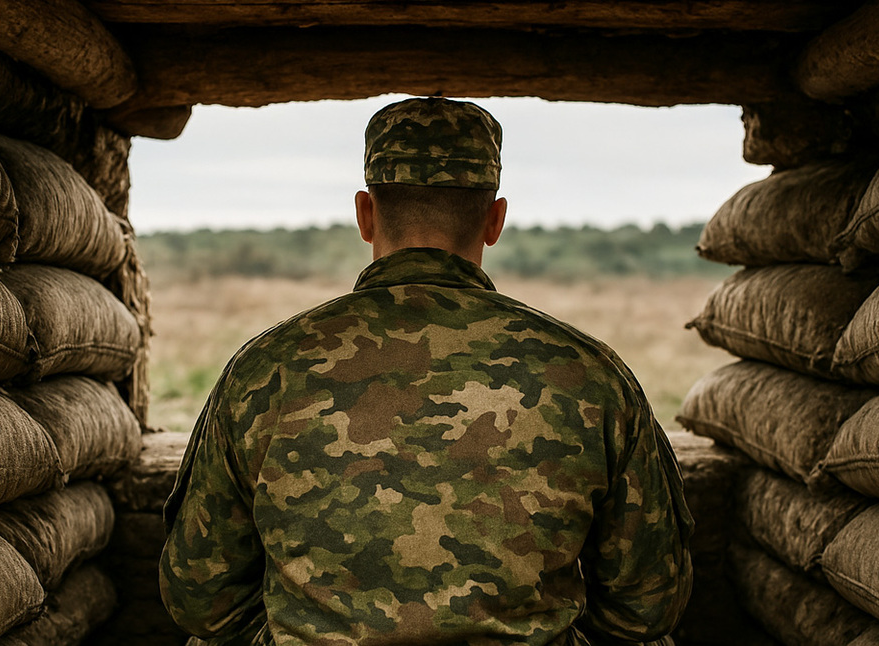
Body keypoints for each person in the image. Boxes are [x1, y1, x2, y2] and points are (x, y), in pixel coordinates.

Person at [160, 97, 694, 646]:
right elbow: (645, 610)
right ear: (495, 220)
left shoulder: (262, 371)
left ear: (365, 214)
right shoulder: (591, 376)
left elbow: (202, 601)